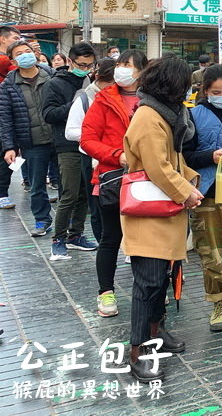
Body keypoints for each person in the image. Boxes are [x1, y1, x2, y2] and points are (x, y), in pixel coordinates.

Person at [121, 55, 203, 382]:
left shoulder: (166, 114)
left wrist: (190, 181)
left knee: (161, 279)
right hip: (150, 211)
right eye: (185, 84)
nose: (188, 90)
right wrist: (187, 191)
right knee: (149, 282)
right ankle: (137, 351)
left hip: (165, 209)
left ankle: (157, 332)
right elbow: (157, 167)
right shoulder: (148, 116)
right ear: (172, 85)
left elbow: (174, 159)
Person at [81, 51, 148, 318]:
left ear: (142, 71)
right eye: (119, 64)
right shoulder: (104, 99)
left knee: (144, 239)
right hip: (111, 179)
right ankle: (105, 292)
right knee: (111, 237)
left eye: (127, 65)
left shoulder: (151, 100)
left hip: (146, 178)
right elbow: (87, 139)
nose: (121, 70)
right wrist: (116, 156)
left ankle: (149, 289)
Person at [183, 64, 222, 332]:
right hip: (209, 194)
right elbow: (185, 156)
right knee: (212, 254)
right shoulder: (194, 116)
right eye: (216, 92)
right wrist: (210, 156)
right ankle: (219, 304)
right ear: (205, 91)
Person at [41, 42, 98, 261]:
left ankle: (76, 235)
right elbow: (48, 114)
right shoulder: (55, 83)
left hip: (89, 144)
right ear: (70, 61)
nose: (85, 68)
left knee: (85, 192)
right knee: (69, 193)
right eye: (81, 64)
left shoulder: (88, 80)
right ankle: (58, 239)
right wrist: (74, 105)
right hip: (66, 145)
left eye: (89, 65)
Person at [0, 41, 55, 236]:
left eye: (28, 51)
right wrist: (9, 147)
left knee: (69, 184)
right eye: (19, 53)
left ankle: (72, 222)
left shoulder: (51, 75)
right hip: (32, 142)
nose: (25, 55)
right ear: (13, 60)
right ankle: (42, 220)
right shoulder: (8, 85)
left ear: (34, 53)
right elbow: (5, 119)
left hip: (59, 138)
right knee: (37, 185)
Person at [65, 57, 116, 245]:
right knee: (97, 205)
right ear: (99, 78)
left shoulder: (125, 97)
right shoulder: (85, 98)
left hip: (119, 157)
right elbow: (70, 131)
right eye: (109, 83)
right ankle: (104, 243)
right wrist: (96, 135)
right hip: (92, 157)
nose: (112, 87)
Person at [0, 26, 22, 210]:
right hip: (5, 112)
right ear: (3, 39)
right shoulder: (5, 60)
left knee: (8, 152)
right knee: (6, 152)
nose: (18, 40)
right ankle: (2, 194)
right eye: (15, 38)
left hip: (14, 111)